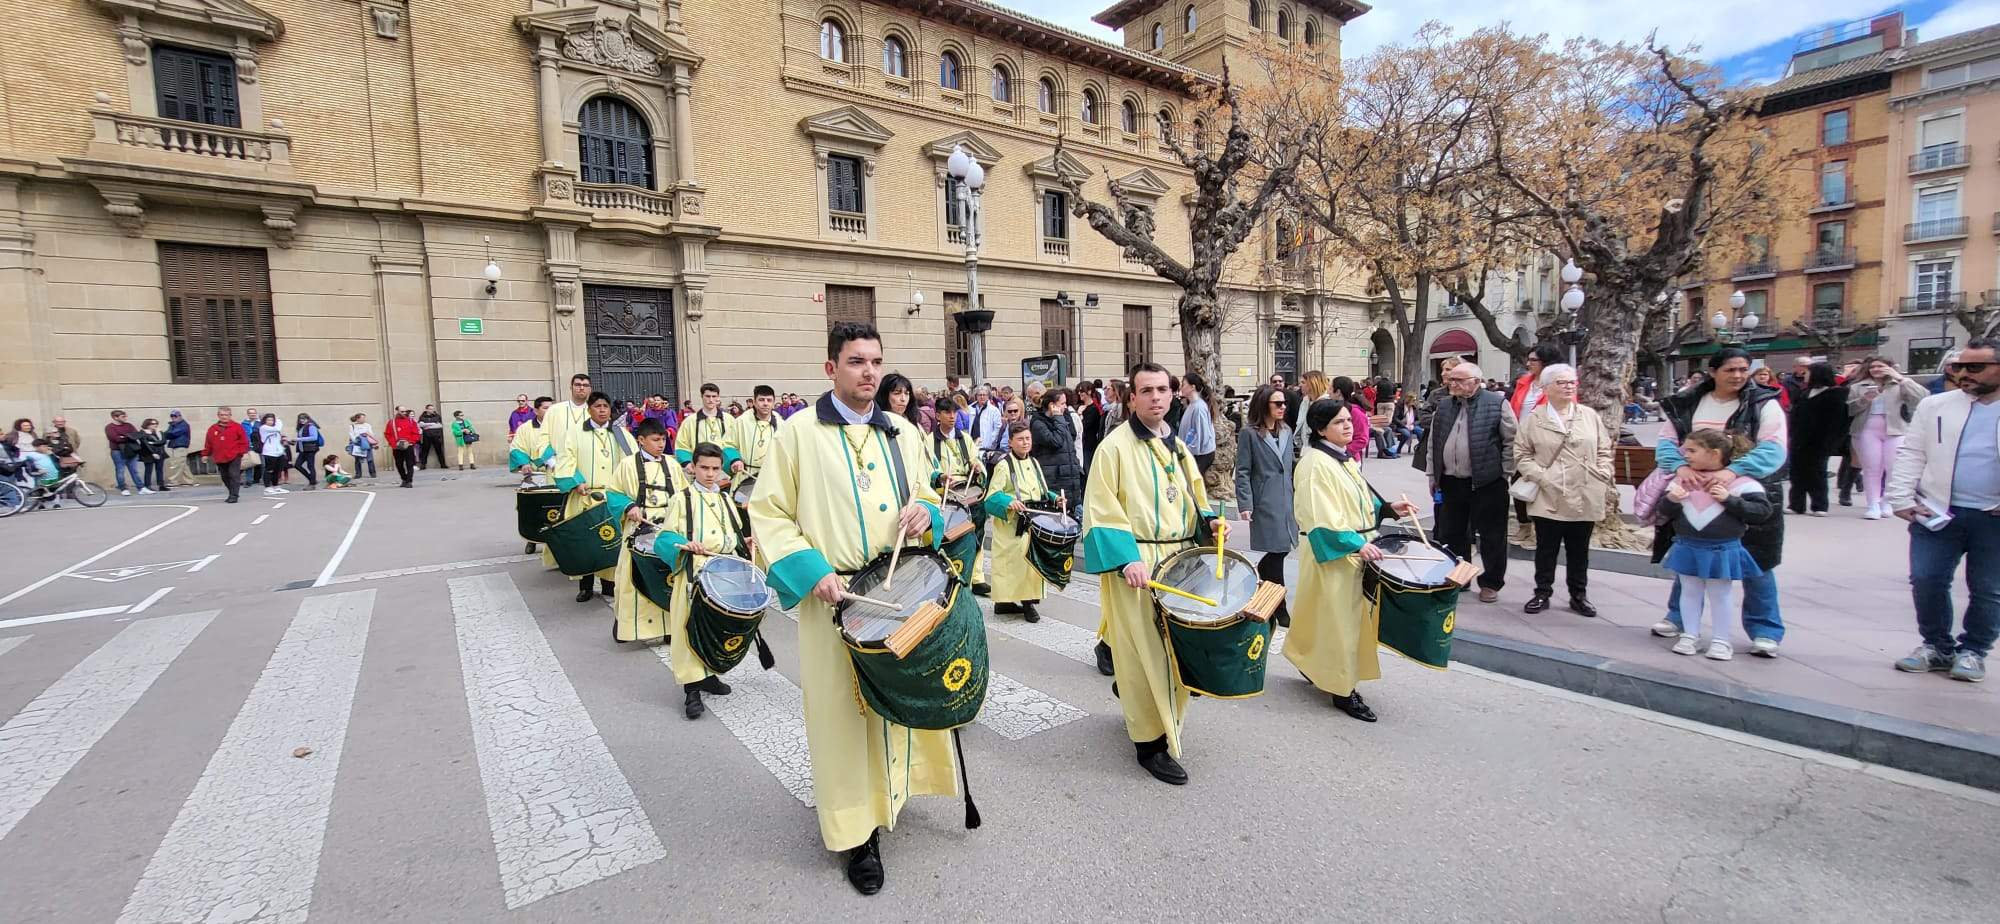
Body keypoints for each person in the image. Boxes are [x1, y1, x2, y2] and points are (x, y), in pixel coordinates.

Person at [745, 322, 956, 896]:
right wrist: (812, 572)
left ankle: (893, 792)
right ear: (830, 368)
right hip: (835, 594)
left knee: (898, 697)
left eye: (876, 361)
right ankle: (853, 832)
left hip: (898, 591)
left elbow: (929, 496)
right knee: (841, 715)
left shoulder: (903, 432)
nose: (869, 371)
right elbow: (768, 515)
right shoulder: (797, 434)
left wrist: (927, 515)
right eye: (857, 361)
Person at [1080, 362, 1227, 786]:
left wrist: (1210, 524)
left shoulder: (1177, 447)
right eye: (1147, 391)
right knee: (1145, 654)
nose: (1157, 397)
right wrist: (1127, 558)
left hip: (1178, 561)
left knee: (1174, 651)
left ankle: (1151, 711)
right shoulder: (1114, 447)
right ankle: (1149, 743)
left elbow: (1195, 500)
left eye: (1163, 389)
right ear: (1132, 398)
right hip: (1138, 568)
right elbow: (1101, 510)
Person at [1650, 348, 1789, 657]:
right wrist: (1682, 467)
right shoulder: (1687, 402)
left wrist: (1732, 472)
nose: (1738, 375)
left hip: (1748, 490)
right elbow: (1666, 443)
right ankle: (1679, 618)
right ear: (1713, 372)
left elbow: (1774, 449)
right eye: (1730, 370)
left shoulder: (1763, 403)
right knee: (1690, 553)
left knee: (1758, 561)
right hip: (1693, 490)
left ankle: (1764, 629)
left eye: (1743, 369)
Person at [1291, 397, 1416, 721]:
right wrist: (1353, 543)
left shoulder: (1341, 458)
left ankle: (1314, 664)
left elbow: (1355, 500)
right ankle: (1343, 689)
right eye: (1339, 422)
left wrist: (1387, 509)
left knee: (1328, 618)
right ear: (1320, 429)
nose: (1348, 425)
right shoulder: (1315, 464)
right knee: (1340, 624)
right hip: (1336, 552)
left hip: (1354, 547)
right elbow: (1320, 518)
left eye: (1348, 420)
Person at [1887, 340, 2000, 683]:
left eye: (1974, 368)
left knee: (1989, 589)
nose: (1964, 374)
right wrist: (1900, 498)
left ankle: (1974, 651)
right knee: (1927, 579)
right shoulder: (1934, 405)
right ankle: (1936, 646)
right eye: (1957, 367)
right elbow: (1912, 452)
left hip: (1992, 517)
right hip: (1936, 510)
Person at [1659, 429, 1774, 660]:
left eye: (1692, 450)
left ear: (1713, 454)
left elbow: (1761, 512)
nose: (1685, 455)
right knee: (1689, 591)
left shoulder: (1743, 484)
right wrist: (1671, 500)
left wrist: (1729, 500)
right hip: (1688, 544)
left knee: (1720, 594)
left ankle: (1722, 640)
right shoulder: (1684, 479)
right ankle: (1690, 634)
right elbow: (1665, 512)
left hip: (1721, 548)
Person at [655, 440, 748, 717]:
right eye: (704, 468)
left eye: (715, 469)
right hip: (694, 576)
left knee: (715, 630)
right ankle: (691, 690)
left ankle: (709, 675)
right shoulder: (681, 499)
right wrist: (685, 544)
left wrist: (744, 542)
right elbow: (664, 539)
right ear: (693, 467)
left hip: (724, 574)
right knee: (689, 630)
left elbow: (733, 533)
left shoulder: (724, 497)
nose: (709, 474)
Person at [1511, 364, 1612, 617]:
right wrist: (1542, 476)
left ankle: (1579, 595)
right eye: (1561, 382)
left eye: (1571, 382)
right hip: (1549, 493)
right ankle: (1542, 592)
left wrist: (1603, 471)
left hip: (1585, 492)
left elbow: (1604, 449)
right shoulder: (1535, 419)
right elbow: (1521, 454)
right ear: (1546, 388)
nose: (1569, 386)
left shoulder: (1588, 415)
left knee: (1580, 550)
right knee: (1547, 547)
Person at [1428, 362, 1516, 603]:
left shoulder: (1496, 403)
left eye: (1458, 380)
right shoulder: (1444, 406)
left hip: (1488, 482)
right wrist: (1432, 475)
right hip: (1451, 481)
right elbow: (1433, 443)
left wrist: (1504, 472)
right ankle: (1460, 577)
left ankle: (1491, 583)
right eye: (1451, 379)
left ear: (1476, 382)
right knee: (1453, 533)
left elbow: (1512, 440)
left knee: (1492, 535)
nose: (1451, 383)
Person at [610, 418, 692, 645]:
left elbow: (685, 494)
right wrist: (629, 506)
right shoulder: (627, 465)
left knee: (668, 580)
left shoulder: (672, 464)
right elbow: (613, 493)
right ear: (641, 440)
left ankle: (669, 627)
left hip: (667, 530)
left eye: (663, 439)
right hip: (639, 528)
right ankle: (629, 627)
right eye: (655, 440)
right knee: (632, 580)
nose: (661, 444)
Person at [554, 392, 634, 602]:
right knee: (586, 542)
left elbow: (633, 460)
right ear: (589, 409)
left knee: (612, 540)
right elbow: (565, 459)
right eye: (597, 406)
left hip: (612, 497)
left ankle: (609, 584)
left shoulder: (620, 434)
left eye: (605, 406)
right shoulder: (574, 432)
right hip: (585, 495)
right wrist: (576, 482)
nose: (602, 410)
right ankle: (586, 586)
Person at [1234, 384, 1297, 627]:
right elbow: (1243, 470)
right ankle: (1279, 607)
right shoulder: (1250, 434)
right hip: (1264, 500)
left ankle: (1262, 593)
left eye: (1284, 403)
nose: (1283, 408)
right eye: (1277, 404)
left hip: (1286, 498)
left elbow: (1289, 465)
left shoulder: (1287, 430)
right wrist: (1245, 503)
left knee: (1282, 550)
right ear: (1264, 405)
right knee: (1277, 551)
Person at [985, 420, 1057, 622]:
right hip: (1013, 524)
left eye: (1028, 439)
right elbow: (991, 498)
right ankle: (1025, 604)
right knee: (1015, 564)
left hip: (1033, 520)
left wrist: (1054, 498)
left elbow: (1041, 490)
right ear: (1010, 442)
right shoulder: (1004, 465)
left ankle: (1009, 602)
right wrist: (1009, 501)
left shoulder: (1034, 462)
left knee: (1028, 563)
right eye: (1020, 439)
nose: (1025, 443)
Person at [1845, 356, 1927, 520]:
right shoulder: (1858, 386)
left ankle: (1886, 502)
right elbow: (1850, 410)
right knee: (1871, 468)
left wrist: (1900, 378)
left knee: (1893, 468)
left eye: (1880, 366)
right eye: (1872, 367)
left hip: (1895, 430)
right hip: (1867, 430)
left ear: (1890, 367)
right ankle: (1872, 504)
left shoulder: (1899, 384)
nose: (1876, 369)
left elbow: (1922, 396)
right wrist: (1864, 400)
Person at [927, 396, 989, 593]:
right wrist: (939, 477)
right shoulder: (929, 442)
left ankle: (976, 577)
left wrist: (977, 467)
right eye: (947, 412)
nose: (952, 416)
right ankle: (951, 574)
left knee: (977, 534)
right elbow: (926, 469)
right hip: (946, 495)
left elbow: (976, 459)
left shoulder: (965, 438)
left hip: (969, 492)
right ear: (938, 415)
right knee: (951, 538)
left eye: (954, 412)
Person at [1786, 363, 1848, 516]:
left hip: (1820, 441)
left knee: (1817, 473)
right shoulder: (1805, 392)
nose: (1804, 375)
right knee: (1797, 473)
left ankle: (1819, 505)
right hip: (1799, 439)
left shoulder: (1836, 394)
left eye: (1807, 372)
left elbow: (1838, 422)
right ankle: (1796, 504)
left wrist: (1831, 442)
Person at [1028, 388, 1082, 509]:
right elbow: (1055, 441)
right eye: (1062, 404)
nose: (1065, 407)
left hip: (1071, 479)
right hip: (1055, 481)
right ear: (1052, 405)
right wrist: (1058, 417)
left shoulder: (1062, 419)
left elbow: (1071, 438)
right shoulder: (1038, 423)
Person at [726, 385, 781, 485]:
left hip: (771, 477)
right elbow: (728, 444)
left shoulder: (781, 424)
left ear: (773, 403)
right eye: (761, 400)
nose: (765, 403)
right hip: (745, 475)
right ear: (754, 402)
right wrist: (735, 459)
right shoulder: (741, 421)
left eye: (769, 400)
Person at [201, 407, 250, 504]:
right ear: (218, 416)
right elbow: (208, 443)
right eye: (222, 415)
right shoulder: (212, 429)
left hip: (234, 455)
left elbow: (244, 441)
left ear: (230, 416)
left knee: (233, 475)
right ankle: (232, 491)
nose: (224, 417)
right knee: (225, 476)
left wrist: (241, 452)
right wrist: (205, 454)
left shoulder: (237, 427)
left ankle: (234, 495)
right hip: (219, 456)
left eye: (226, 415)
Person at [675, 383, 730, 466]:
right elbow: (681, 446)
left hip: (725, 469)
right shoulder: (689, 421)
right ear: (701, 396)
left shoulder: (729, 419)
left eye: (714, 396)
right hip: (699, 469)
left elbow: (734, 444)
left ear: (718, 397)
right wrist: (687, 463)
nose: (711, 400)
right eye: (707, 396)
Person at [546, 373, 595, 460]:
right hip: (559, 463)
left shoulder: (595, 412)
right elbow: (543, 436)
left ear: (590, 389)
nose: (581, 388)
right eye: (577, 385)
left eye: (585, 385)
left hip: (588, 463)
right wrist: (550, 460)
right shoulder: (554, 410)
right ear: (571, 387)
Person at [1178, 373, 1216, 473]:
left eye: (1183, 384)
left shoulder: (1199, 407)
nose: (1181, 387)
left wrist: (1189, 450)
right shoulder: (1192, 405)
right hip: (1193, 453)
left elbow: (1201, 435)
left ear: (1192, 387)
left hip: (1200, 455)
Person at [509, 397, 557, 474]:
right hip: (537, 472)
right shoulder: (525, 428)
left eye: (552, 408)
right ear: (536, 411)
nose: (550, 411)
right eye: (545, 408)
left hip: (562, 471)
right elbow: (516, 448)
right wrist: (524, 463)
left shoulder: (562, 426)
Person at [1329, 376, 1371, 461]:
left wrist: (1343, 451)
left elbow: (1362, 439)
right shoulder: (1329, 408)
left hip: (1350, 459)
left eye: (1330, 388)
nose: (1328, 392)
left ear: (1338, 392)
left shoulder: (1356, 412)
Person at [104, 410, 145, 495]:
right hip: (117, 451)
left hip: (131, 450)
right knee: (120, 470)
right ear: (115, 417)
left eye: (125, 416)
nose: (125, 418)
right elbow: (116, 439)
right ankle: (123, 488)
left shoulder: (129, 425)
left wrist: (124, 436)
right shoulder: (109, 427)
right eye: (123, 417)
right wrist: (128, 436)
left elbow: (136, 435)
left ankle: (141, 488)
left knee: (134, 470)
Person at [252, 413, 289, 495]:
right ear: (265, 420)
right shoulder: (263, 428)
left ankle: (276, 486)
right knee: (269, 470)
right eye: (268, 420)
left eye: (272, 420)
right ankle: (267, 487)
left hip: (278, 452)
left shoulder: (274, 428)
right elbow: (278, 428)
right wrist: (278, 420)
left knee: (277, 470)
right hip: (269, 452)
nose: (270, 421)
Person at [386, 407, 422, 488]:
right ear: (397, 411)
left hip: (408, 445)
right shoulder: (392, 422)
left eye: (405, 411)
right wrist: (393, 444)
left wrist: (411, 442)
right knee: (399, 464)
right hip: (397, 447)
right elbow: (388, 434)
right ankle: (404, 478)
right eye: (402, 411)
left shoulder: (411, 421)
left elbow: (416, 433)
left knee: (410, 464)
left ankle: (409, 481)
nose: (404, 413)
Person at [135, 418, 168, 492]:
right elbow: (145, 444)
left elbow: (163, 441)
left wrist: (160, 435)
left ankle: (161, 485)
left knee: (159, 469)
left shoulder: (157, 432)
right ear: (147, 425)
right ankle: (147, 485)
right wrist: (153, 453)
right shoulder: (143, 432)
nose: (155, 425)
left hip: (160, 452)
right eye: (153, 424)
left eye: (156, 423)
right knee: (148, 470)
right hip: (148, 453)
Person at [163, 411, 196, 486]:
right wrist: (167, 433)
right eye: (172, 416)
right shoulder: (173, 425)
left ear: (180, 416)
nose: (173, 418)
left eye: (175, 416)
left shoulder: (183, 425)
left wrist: (166, 433)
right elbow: (168, 434)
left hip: (181, 446)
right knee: (182, 464)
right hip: (175, 445)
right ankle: (191, 481)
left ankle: (174, 481)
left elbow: (173, 433)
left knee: (176, 464)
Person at [294, 414, 323, 489]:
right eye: (300, 419)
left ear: (308, 419)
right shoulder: (302, 427)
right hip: (303, 450)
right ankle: (312, 479)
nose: (302, 420)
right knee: (297, 465)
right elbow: (301, 438)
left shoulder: (311, 426)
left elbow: (314, 437)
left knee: (310, 466)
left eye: (304, 419)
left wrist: (298, 439)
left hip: (311, 449)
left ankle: (312, 484)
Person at [347, 413, 380, 480]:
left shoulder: (367, 425)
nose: (364, 419)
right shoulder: (352, 426)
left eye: (364, 418)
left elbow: (371, 433)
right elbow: (351, 434)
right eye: (362, 418)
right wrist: (356, 439)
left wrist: (366, 435)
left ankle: (372, 473)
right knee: (357, 459)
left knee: (370, 459)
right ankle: (358, 474)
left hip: (367, 443)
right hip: (357, 444)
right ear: (357, 419)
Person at [416, 405, 447, 470]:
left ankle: (443, 464)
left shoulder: (437, 416)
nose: (432, 410)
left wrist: (427, 426)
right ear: (427, 409)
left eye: (432, 409)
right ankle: (423, 465)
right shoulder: (422, 417)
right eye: (430, 409)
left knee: (439, 451)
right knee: (425, 451)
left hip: (436, 436)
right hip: (426, 436)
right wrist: (433, 424)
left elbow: (440, 425)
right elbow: (420, 425)